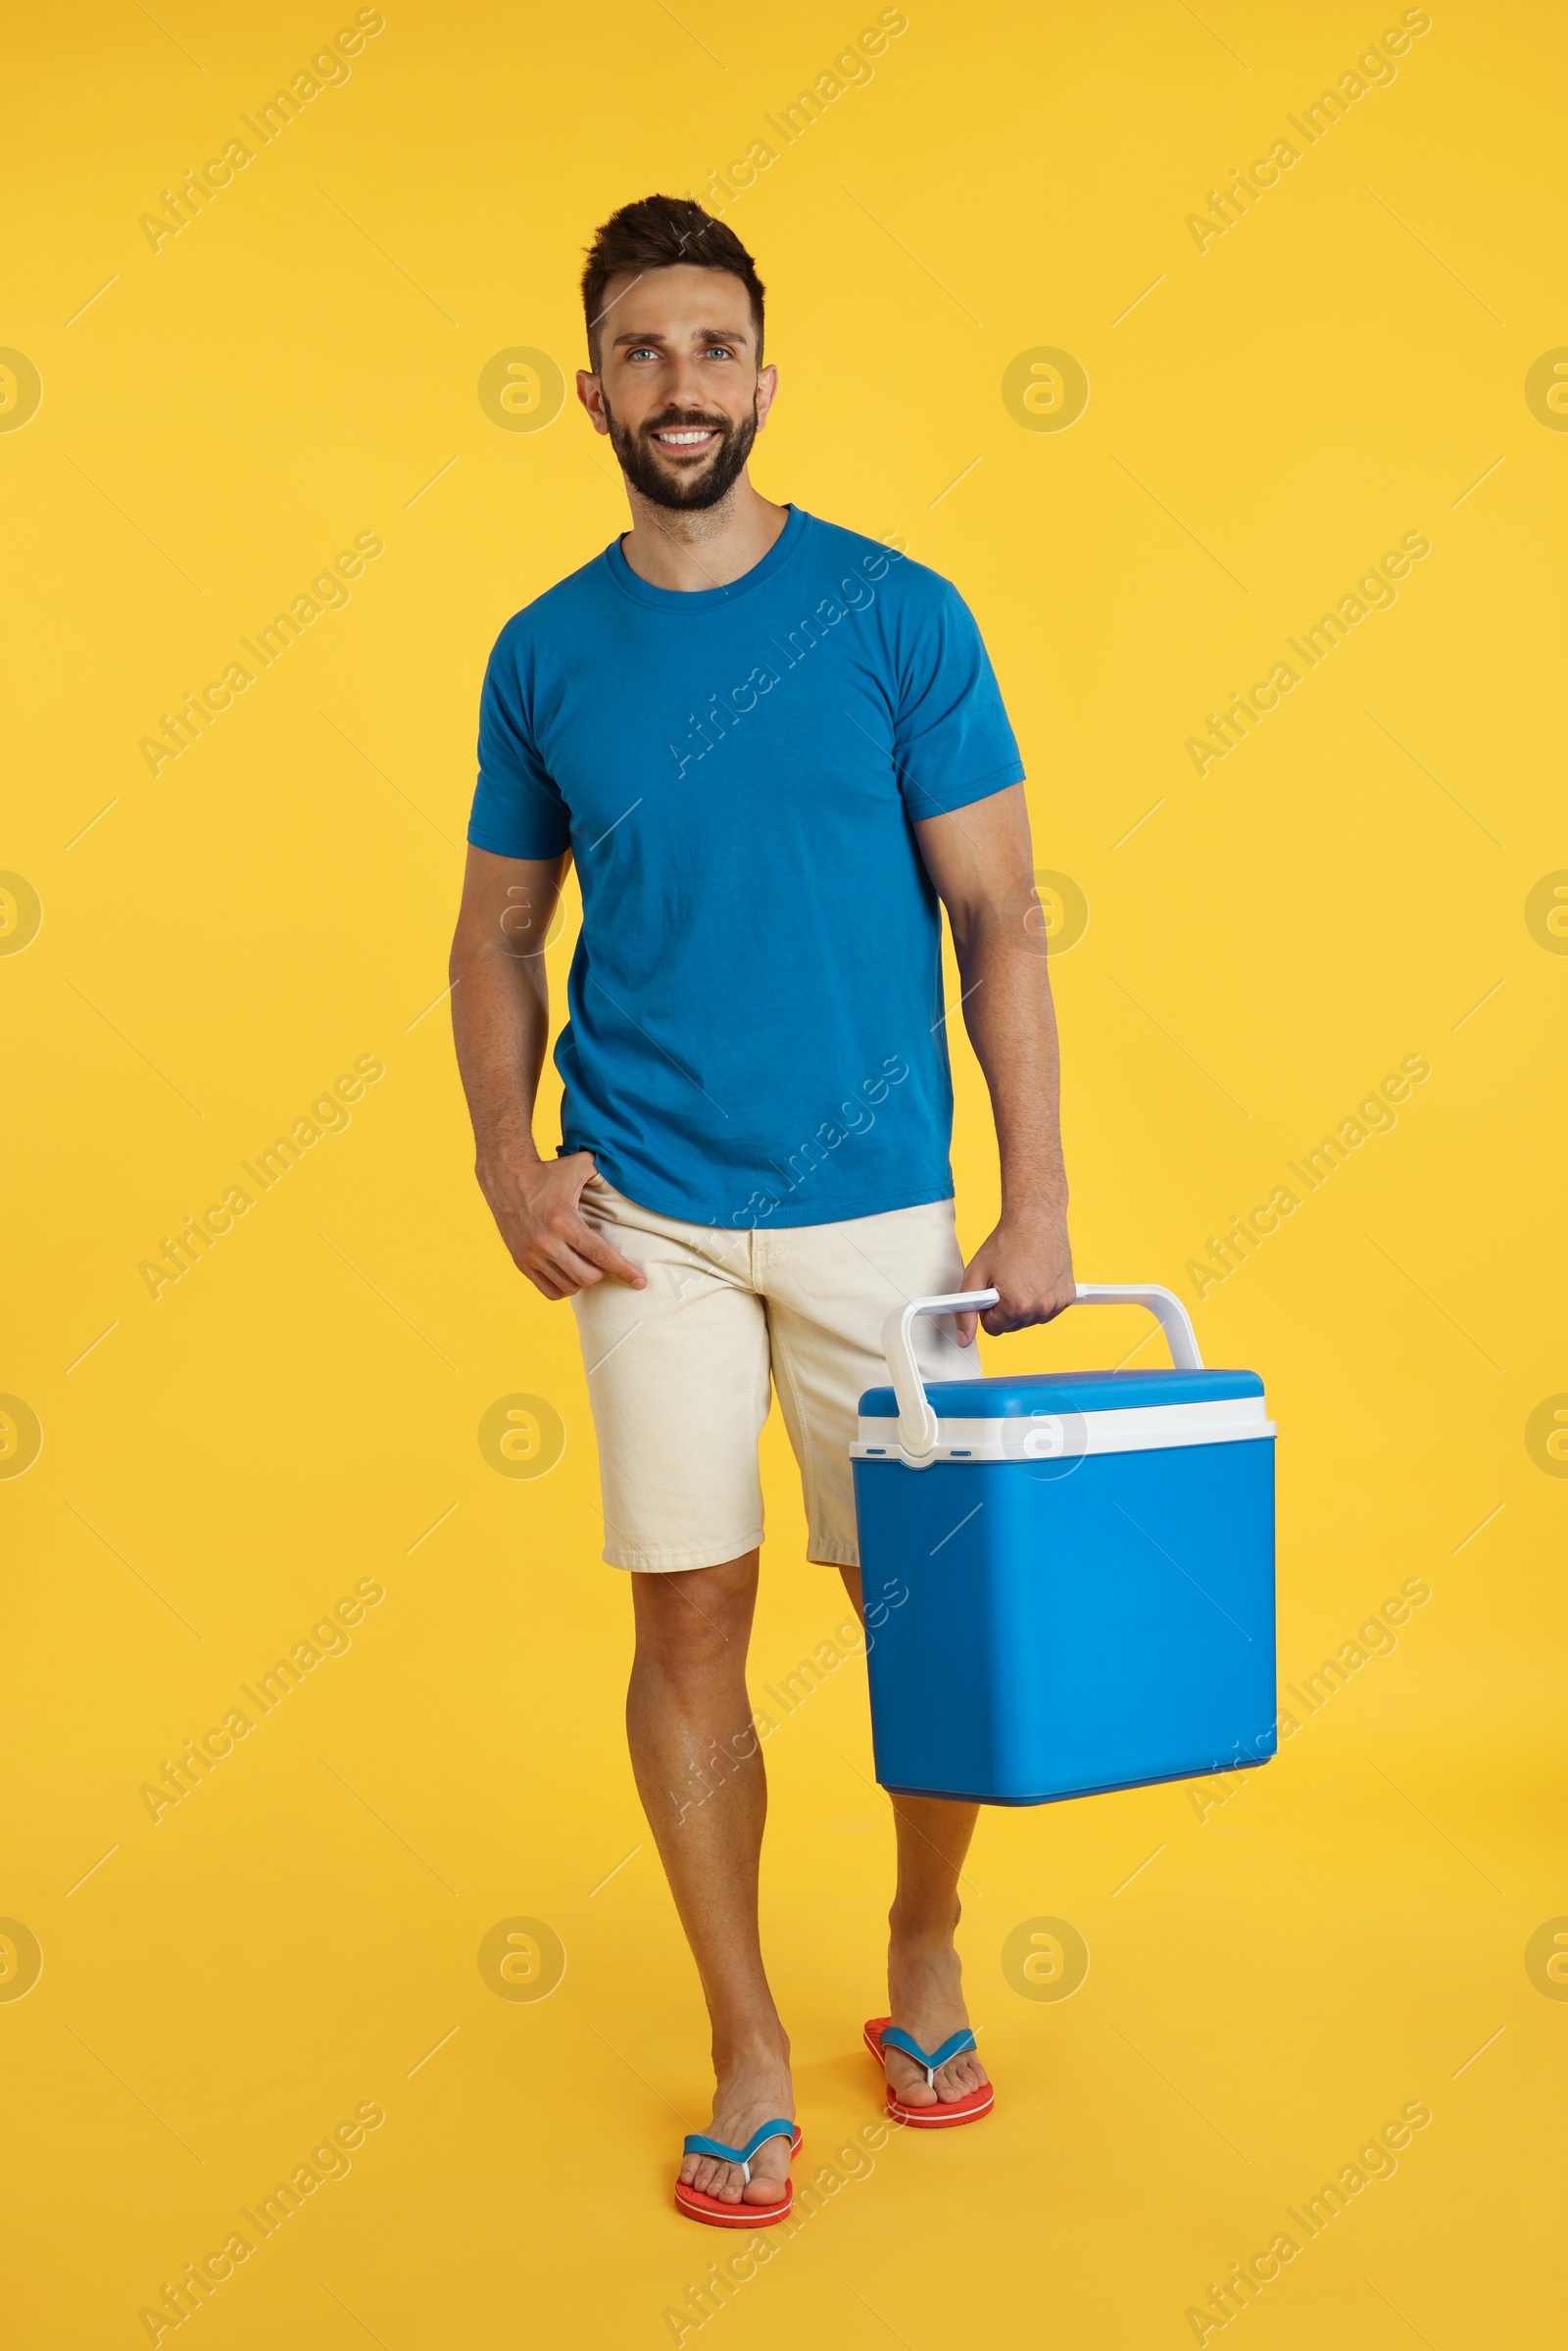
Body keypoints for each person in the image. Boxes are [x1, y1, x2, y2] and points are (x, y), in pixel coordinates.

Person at [449, 194, 1073, 2224]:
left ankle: (914, 1942)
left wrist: (1033, 1199)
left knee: (922, 1613)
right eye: (642, 352)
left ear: (763, 379)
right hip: (644, 1207)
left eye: (712, 348)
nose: (680, 385)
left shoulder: (898, 615)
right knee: (686, 1606)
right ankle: (738, 2032)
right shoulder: (542, 651)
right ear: (591, 392)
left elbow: (995, 917)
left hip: (880, 1211)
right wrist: (504, 1158)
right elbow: (493, 937)